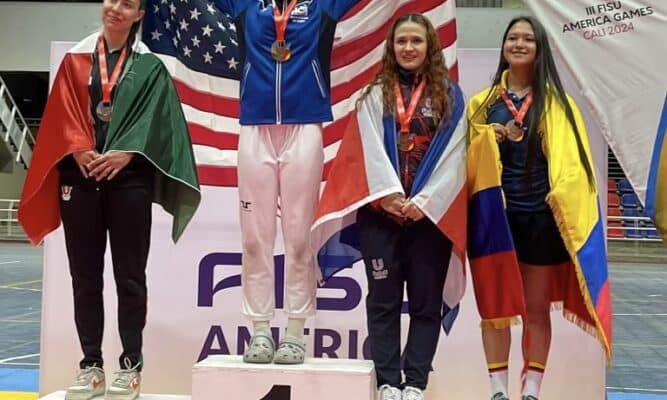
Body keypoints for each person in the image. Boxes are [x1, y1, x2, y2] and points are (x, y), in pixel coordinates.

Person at [18, 0, 201, 397]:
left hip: (128, 179)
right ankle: (91, 367)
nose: (115, 8)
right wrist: (79, 148)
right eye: (112, 0)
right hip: (80, 175)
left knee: (130, 277)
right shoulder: (75, 58)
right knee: (84, 278)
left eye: (128, 4)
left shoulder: (151, 66)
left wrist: (129, 152)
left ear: (139, 15)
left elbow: (160, 122)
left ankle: (131, 366)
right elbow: (62, 116)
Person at [311, 13, 467, 400]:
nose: (409, 48)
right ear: (391, 47)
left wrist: (424, 202)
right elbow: (365, 151)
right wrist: (386, 195)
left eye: (416, 41)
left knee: (425, 305)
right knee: (382, 301)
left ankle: (414, 383)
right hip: (381, 216)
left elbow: (456, 157)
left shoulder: (451, 95)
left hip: (428, 219)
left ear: (430, 45)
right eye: (402, 42)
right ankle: (387, 383)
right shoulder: (375, 93)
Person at [466, 16, 612, 400]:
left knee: (535, 310)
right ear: (503, 46)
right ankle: (498, 391)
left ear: (540, 48)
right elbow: (463, 160)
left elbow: (579, 171)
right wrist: (489, 136)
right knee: (494, 310)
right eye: (512, 37)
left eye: (527, 39)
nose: (518, 43)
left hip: (542, 221)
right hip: (494, 220)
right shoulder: (481, 106)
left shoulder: (560, 105)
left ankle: (531, 390)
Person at [212, 0, 361, 364]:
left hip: (305, 126)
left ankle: (295, 332)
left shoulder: (323, 5)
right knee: (253, 239)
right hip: (255, 127)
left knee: (298, 238)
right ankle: (260, 331)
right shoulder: (245, 5)